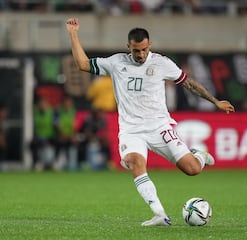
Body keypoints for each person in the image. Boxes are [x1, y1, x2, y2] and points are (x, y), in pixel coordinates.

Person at [66, 17, 235, 226]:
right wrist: (73, 34)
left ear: (150, 45)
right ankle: (159, 214)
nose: (141, 55)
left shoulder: (162, 63)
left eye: (145, 49)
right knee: (135, 163)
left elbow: (189, 83)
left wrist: (215, 101)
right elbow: (82, 64)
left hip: (159, 127)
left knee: (192, 169)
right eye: (136, 50)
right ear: (129, 47)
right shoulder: (116, 63)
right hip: (131, 131)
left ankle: (198, 156)